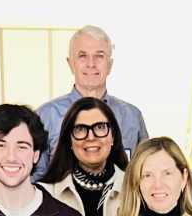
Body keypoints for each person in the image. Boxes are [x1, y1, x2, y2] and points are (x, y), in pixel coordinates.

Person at [34, 25, 149, 180]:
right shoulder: (45, 116)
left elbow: (143, 174)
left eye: (99, 56)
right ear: (70, 64)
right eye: (82, 56)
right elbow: (36, 179)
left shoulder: (132, 116)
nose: (91, 64)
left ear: (110, 65)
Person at [38, 96, 128, 216]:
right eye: (80, 129)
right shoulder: (45, 194)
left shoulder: (134, 189)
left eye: (100, 127)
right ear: (69, 141)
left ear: (112, 136)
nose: (91, 137)